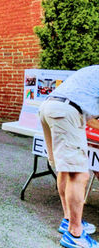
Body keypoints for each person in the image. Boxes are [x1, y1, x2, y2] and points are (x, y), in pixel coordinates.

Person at [39, 65, 99, 248]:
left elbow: (91, 118)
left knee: (65, 170)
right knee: (79, 174)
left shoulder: (92, 71)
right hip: (66, 112)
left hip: (49, 107)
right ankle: (75, 233)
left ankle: (68, 220)